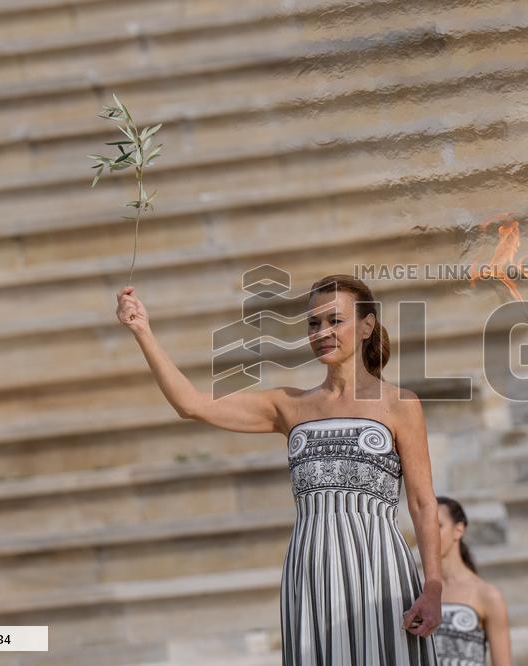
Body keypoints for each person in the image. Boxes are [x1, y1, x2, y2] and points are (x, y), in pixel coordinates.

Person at [116, 274, 440, 665]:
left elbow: (423, 503)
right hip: (310, 569)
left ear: (366, 326)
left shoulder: (400, 404)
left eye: (335, 321)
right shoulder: (288, 406)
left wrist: (434, 584)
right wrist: (143, 331)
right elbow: (192, 405)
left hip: (381, 570)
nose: (322, 332)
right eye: (313, 323)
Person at [434, 496, 511, 666]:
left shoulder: (487, 595)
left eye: (438, 526)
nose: (428, 533)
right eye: (423, 526)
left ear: (459, 529)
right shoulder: (414, 591)